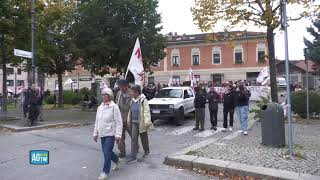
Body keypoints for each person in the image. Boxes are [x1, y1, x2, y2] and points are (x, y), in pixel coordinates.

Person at [93, 88, 122, 180]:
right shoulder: (100, 107)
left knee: (106, 153)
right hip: (102, 133)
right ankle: (117, 160)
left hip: (111, 134)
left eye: (105, 94)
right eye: (102, 94)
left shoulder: (114, 107)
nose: (103, 96)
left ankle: (105, 172)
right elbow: (97, 121)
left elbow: (119, 122)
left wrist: (118, 135)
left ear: (110, 96)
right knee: (107, 152)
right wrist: (95, 133)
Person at [126, 85, 154, 163]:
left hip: (142, 123)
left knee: (144, 138)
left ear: (137, 92)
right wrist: (128, 119)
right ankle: (133, 157)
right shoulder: (132, 100)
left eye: (132, 92)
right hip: (134, 123)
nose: (131, 93)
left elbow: (146, 111)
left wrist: (147, 121)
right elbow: (130, 111)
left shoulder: (143, 100)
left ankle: (147, 151)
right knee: (134, 139)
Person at [114, 79, 132, 158]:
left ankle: (136, 148)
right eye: (119, 86)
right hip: (120, 119)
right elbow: (116, 105)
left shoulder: (132, 93)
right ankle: (122, 152)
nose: (120, 88)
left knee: (133, 136)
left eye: (121, 86)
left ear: (126, 86)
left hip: (129, 119)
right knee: (119, 137)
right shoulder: (119, 93)